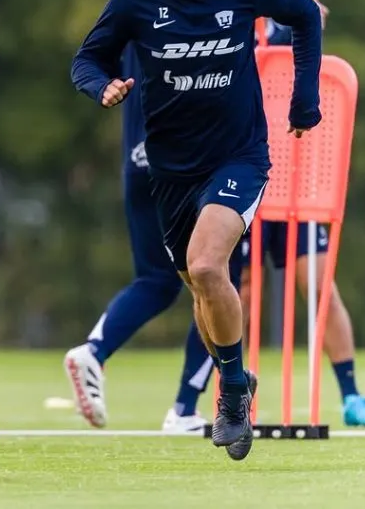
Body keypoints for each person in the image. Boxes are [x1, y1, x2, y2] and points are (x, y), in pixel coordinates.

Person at [70, 0, 323, 461]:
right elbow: (88, 57)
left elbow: (306, 14)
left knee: (209, 265)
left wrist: (304, 100)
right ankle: (236, 377)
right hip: (171, 170)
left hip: (238, 157)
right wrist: (100, 86)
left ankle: (233, 391)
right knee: (202, 292)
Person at [224, 0, 365, 427]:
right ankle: (228, 392)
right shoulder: (221, 21)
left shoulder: (286, 16)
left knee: (316, 283)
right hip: (241, 172)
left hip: (296, 176)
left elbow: (314, 17)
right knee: (241, 288)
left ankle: (352, 394)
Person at [63, 32, 244, 435]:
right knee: (216, 278)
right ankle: (187, 406)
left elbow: (88, 63)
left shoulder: (137, 0)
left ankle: (94, 351)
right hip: (191, 168)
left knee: (158, 281)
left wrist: (98, 87)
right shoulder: (217, 2)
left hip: (139, 163)